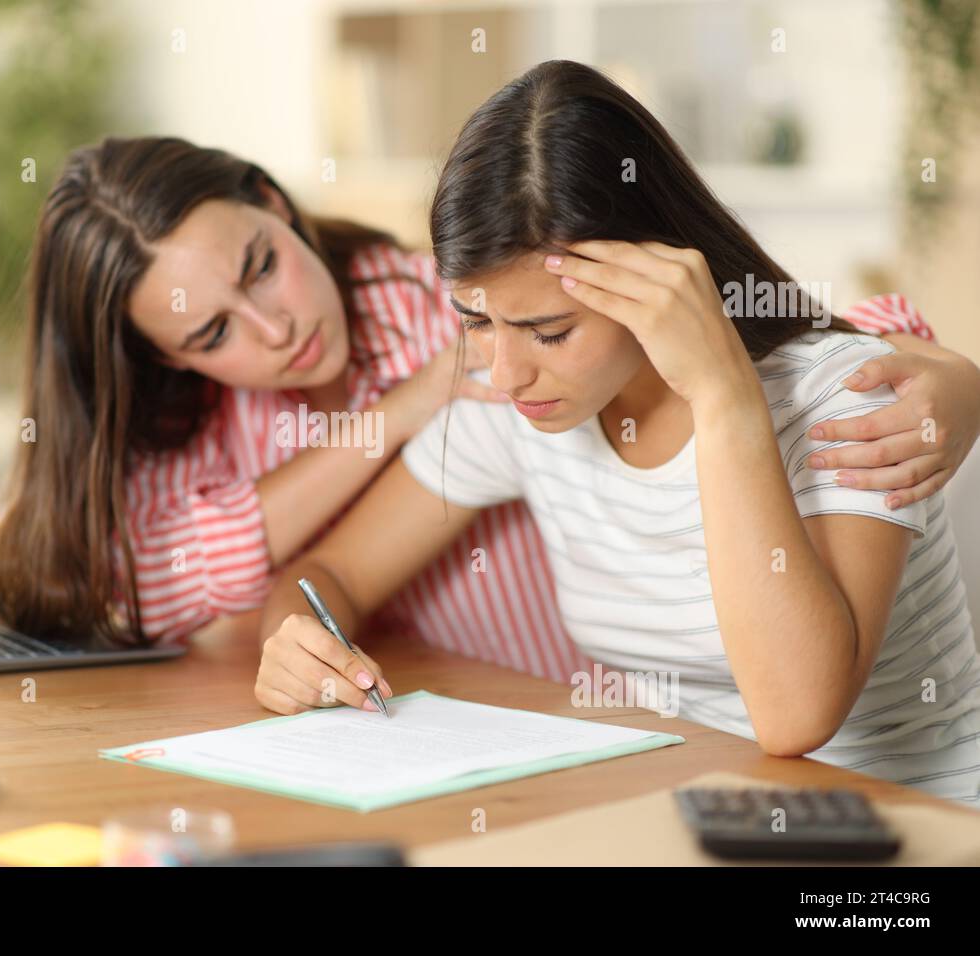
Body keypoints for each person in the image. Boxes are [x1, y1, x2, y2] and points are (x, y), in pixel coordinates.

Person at [254, 61, 980, 803]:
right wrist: (298, 640)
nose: (504, 373)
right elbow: (330, 573)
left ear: (663, 279)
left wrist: (722, 396)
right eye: (475, 320)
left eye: (549, 330)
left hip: (915, 826)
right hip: (707, 812)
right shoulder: (522, 407)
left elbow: (796, 715)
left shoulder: (845, 398)